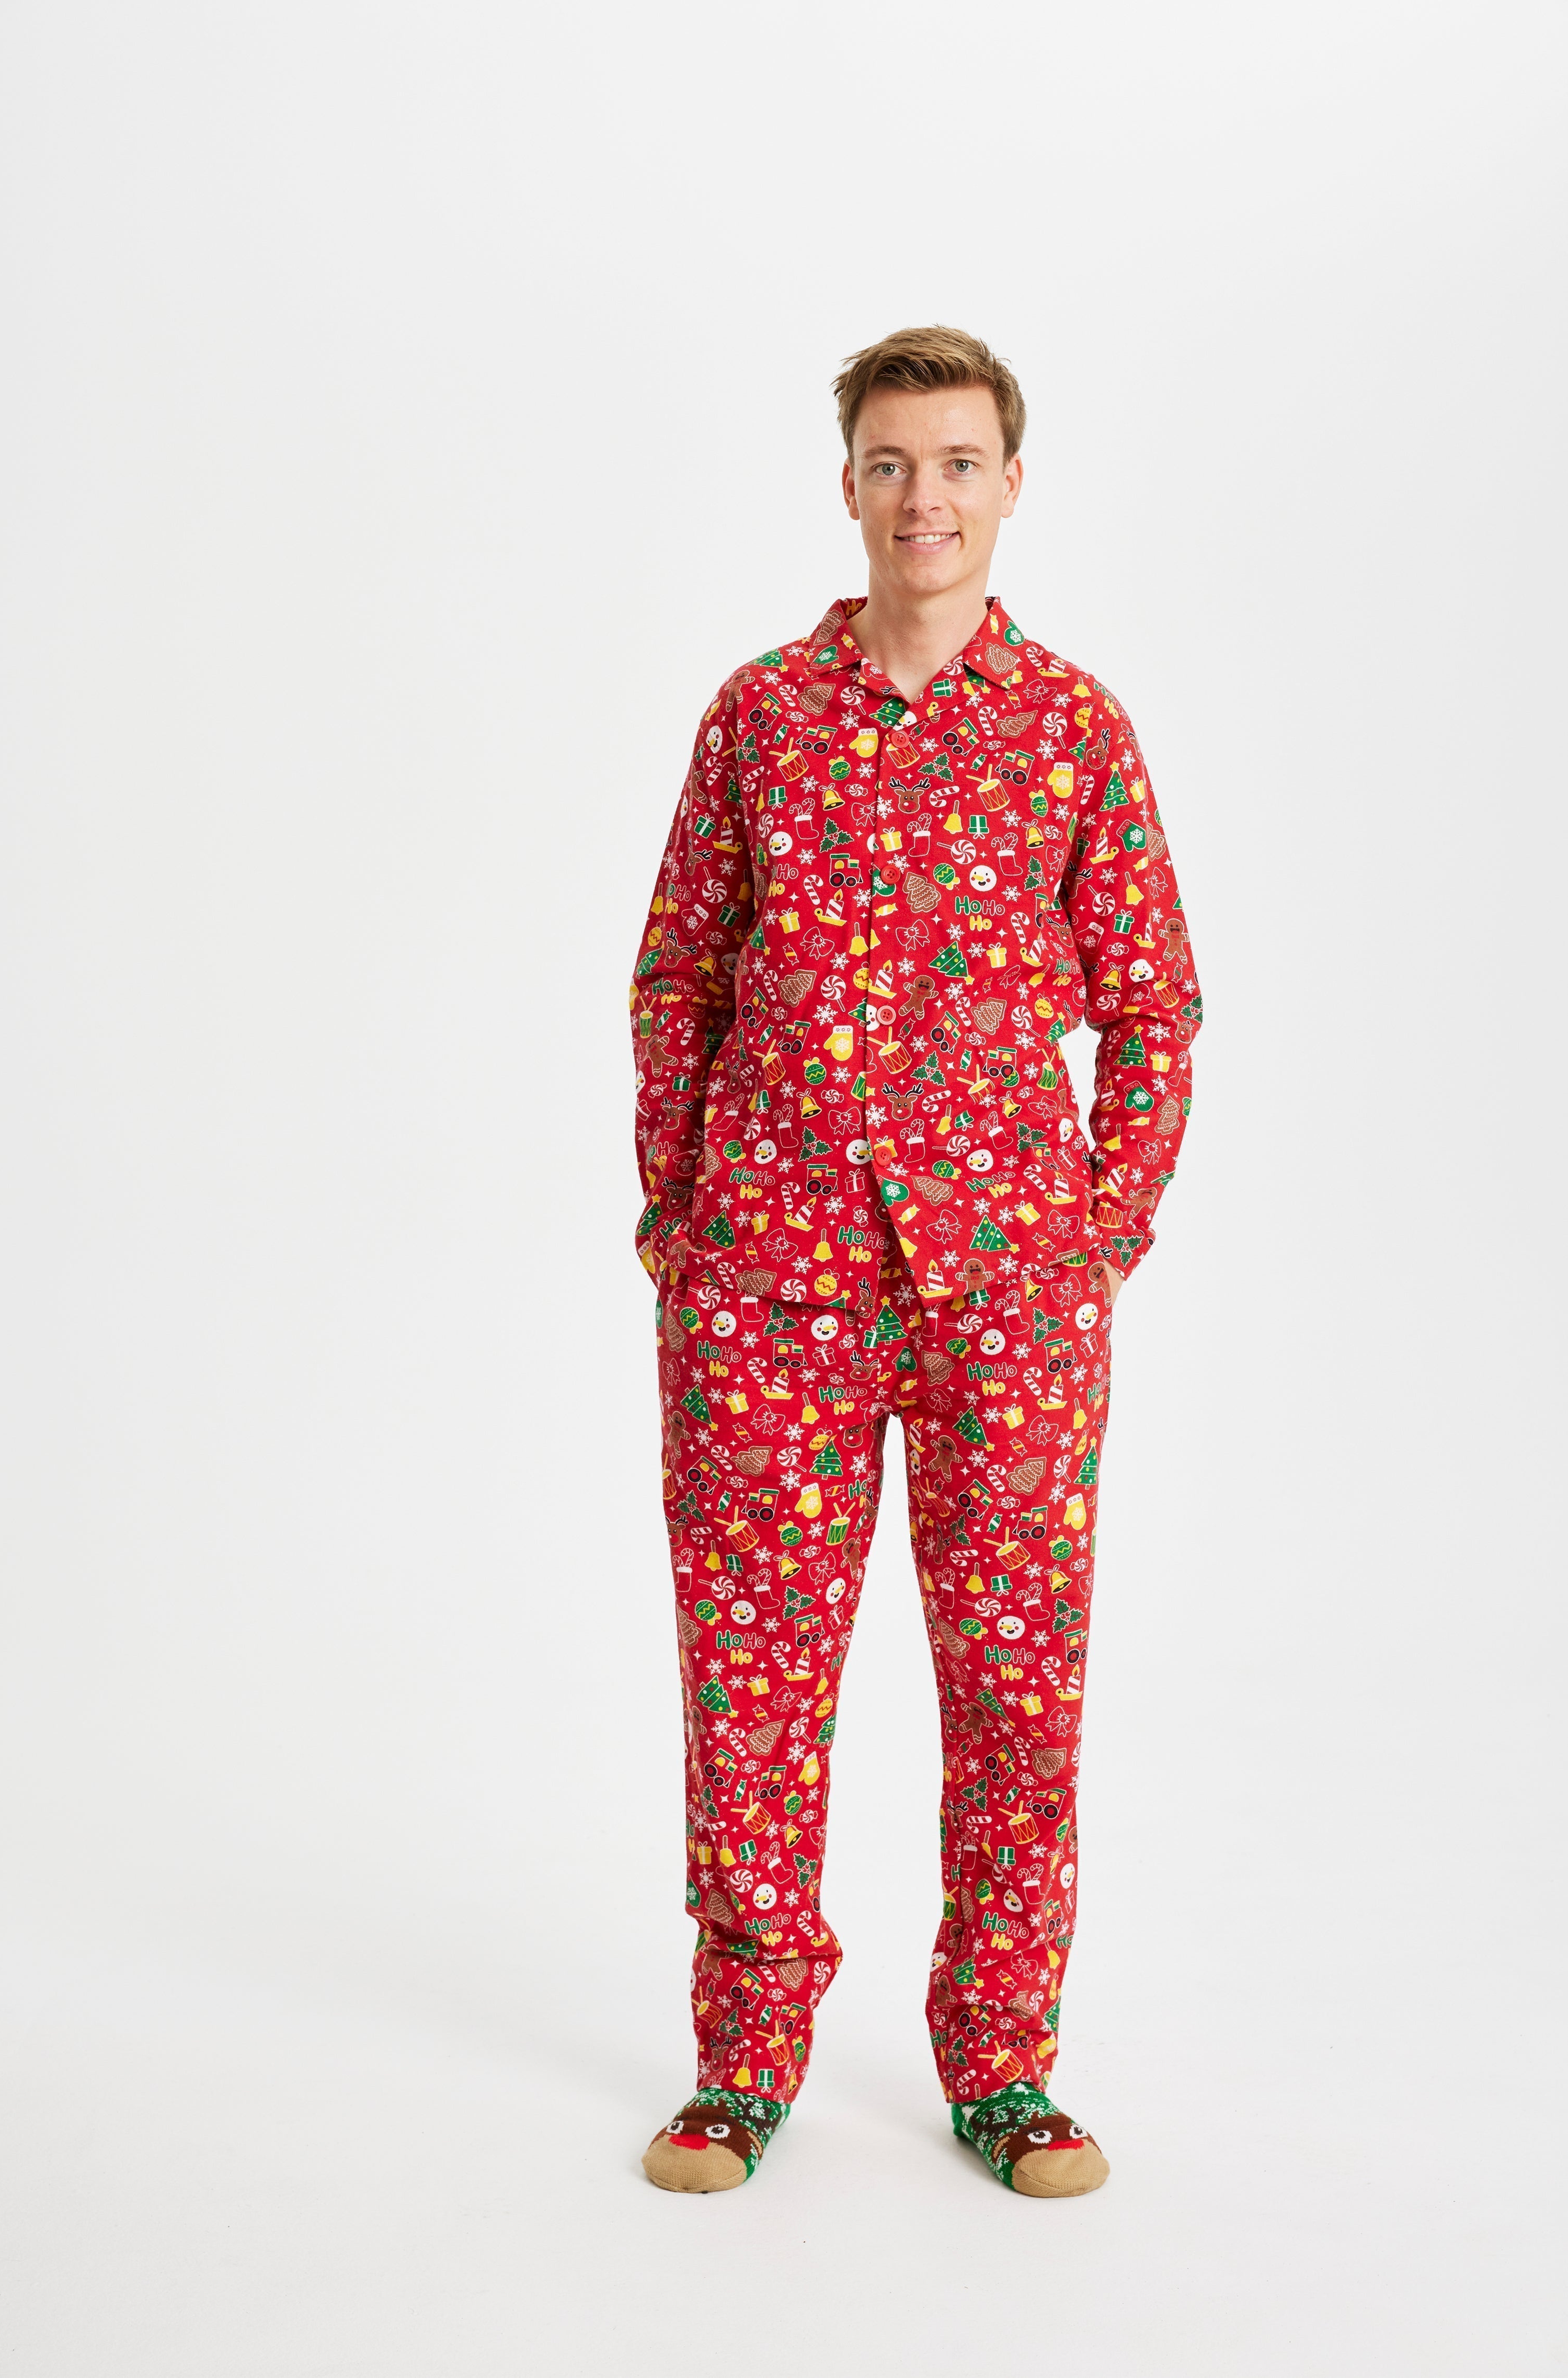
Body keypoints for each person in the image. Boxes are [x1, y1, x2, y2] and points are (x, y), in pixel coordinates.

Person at [628, 326, 1201, 2195]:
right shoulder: (759, 715)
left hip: (1010, 1305)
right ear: (848, 485)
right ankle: (744, 2060)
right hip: (765, 1292)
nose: (922, 496)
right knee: (751, 1690)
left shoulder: (1074, 730)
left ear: (1009, 486)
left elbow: (1155, 1002)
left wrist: (1096, 1236)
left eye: (956, 462)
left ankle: (1004, 2068)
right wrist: (680, 1217)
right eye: (890, 462)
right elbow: (678, 975)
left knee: (1017, 1698)